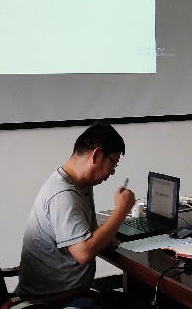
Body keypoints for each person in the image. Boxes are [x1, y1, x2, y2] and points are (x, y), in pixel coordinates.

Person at [15, 121, 137, 308]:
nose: (112, 172)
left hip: (69, 292)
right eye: (113, 164)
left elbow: (88, 233)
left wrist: (105, 237)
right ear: (96, 155)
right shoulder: (63, 194)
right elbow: (84, 253)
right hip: (53, 300)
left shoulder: (80, 184)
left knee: (138, 302)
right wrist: (122, 210)